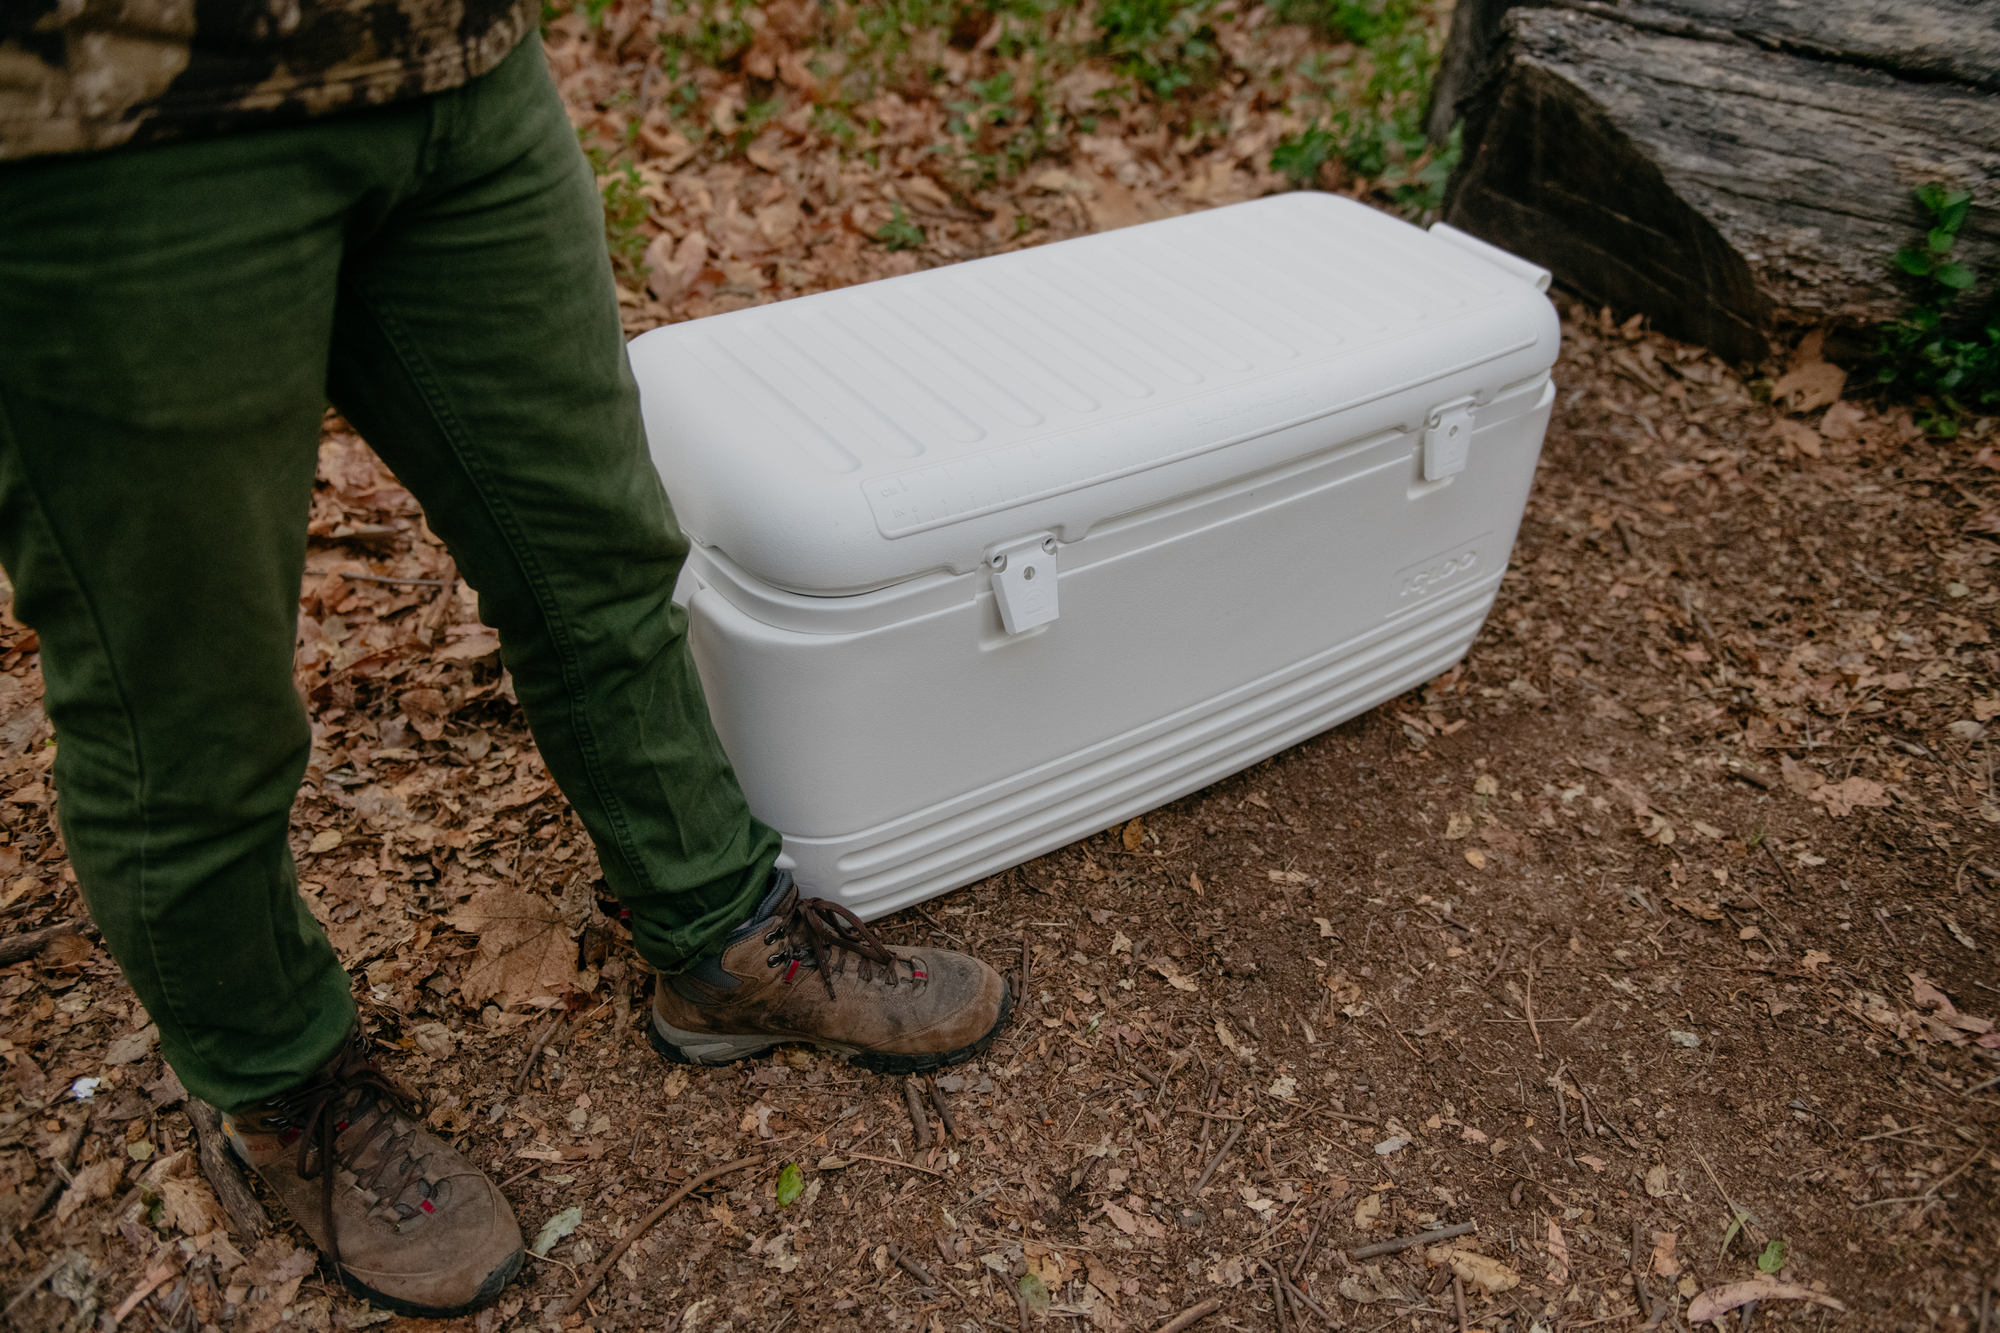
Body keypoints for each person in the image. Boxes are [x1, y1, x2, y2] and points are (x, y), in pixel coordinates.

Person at [0, 2, 1011, 1315]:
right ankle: (283, 1089)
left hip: (453, 63)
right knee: (188, 703)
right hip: (114, 128)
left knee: (598, 557)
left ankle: (719, 934)